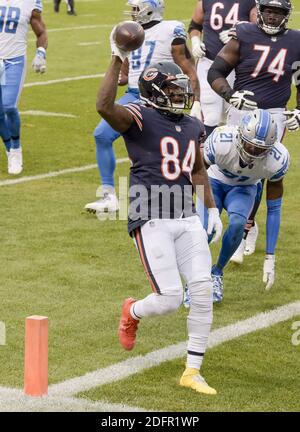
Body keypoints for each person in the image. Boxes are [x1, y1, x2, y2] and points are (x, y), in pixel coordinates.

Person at [96, 24, 223, 392]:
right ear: (153, 92)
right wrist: (117, 56)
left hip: (185, 215)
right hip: (150, 212)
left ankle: (192, 370)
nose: (179, 94)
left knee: (200, 290)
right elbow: (104, 105)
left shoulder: (193, 124)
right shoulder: (138, 116)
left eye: (180, 88)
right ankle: (131, 311)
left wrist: (211, 209)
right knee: (168, 300)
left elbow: (197, 168)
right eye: (171, 89)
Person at [85, 0, 202, 214]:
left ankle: (175, 196)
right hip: (133, 94)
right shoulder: (130, 31)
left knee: (158, 149)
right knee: (102, 134)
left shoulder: (169, 29)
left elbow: (187, 66)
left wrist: (196, 101)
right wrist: (121, 74)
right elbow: (127, 70)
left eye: (136, 8)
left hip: (159, 97)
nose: (132, 12)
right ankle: (109, 196)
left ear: (150, 9)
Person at [207, 0, 298, 262]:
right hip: (242, 108)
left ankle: (246, 227)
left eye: (277, 12)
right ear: (259, 11)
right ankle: (221, 215)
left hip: (275, 114)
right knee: (229, 161)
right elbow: (216, 70)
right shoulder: (243, 33)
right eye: (267, 10)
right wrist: (230, 94)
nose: (271, 16)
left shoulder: (296, 41)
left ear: (286, 15)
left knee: (260, 170)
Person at [202, 109, 289, 302]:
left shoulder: (277, 159)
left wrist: (270, 257)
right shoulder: (221, 139)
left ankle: (217, 273)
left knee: (237, 225)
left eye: (262, 149)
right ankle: (195, 278)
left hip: (244, 188)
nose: (255, 153)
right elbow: (197, 173)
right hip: (213, 181)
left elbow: (274, 208)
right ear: (240, 135)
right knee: (203, 230)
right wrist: (205, 209)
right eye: (251, 146)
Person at [188, 0, 257, 137]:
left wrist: (239, 32)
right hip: (209, 61)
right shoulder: (205, 1)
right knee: (210, 114)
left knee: (234, 114)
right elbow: (195, 25)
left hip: (237, 66)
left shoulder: (250, 2)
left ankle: (231, 152)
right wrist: (195, 41)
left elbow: (258, 29)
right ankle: (206, 153)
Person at [0, 0, 48, 175]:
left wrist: (41, 53)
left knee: (9, 106)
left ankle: (16, 148)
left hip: (14, 61)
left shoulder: (30, 2)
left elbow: (41, 31)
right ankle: (9, 150)